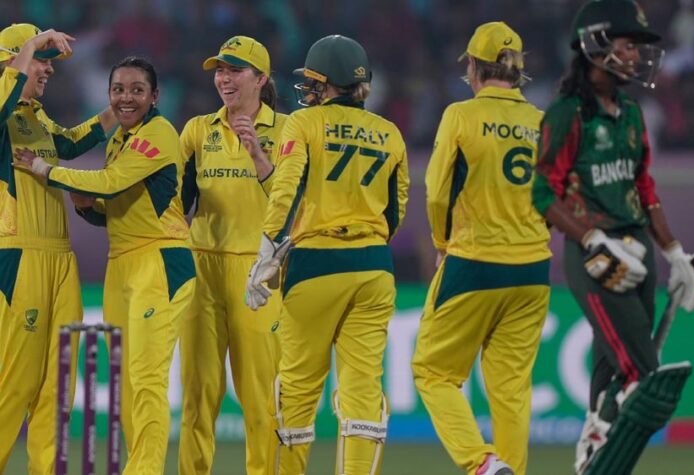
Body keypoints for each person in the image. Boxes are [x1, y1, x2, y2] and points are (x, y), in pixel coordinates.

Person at [531, 1, 694, 474]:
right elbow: (543, 193)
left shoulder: (631, 112)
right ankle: (603, 423)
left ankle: (597, 428)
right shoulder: (567, 114)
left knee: (613, 364)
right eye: (628, 45)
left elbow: (644, 189)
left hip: (639, 248)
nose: (636, 56)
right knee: (644, 374)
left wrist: (674, 253)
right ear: (596, 45)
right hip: (596, 255)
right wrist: (591, 238)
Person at [15, 56, 196, 474]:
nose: (126, 98)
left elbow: (111, 183)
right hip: (123, 263)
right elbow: (114, 211)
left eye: (137, 90)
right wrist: (85, 208)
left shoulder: (159, 133)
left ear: (155, 96)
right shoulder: (119, 141)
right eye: (118, 89)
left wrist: (45, 169)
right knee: (128, 383)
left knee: (146, 379)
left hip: (161, 261)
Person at [245, 34, 409, 475]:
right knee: (363, 392)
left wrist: (267, 252)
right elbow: (395, 213)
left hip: (316, 263)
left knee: (297, 391)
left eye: (314, 81)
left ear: (327, 83)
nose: (308, 89)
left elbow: (286, 190)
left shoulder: (304, 123)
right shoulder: (390, 133)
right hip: (374, 267)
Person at [411, 22, 551, 475]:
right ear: (518, 70)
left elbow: (436, 192)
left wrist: (441, 243)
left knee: (433, 372)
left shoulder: (461, 115)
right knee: (511, 389)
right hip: (533, 270)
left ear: (473, 66)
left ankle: (481, 463)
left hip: (474, 261)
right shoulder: (542, 122)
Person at [0, 23, 115, 473]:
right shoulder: (4, 113)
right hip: (19, 256)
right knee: (14, 382)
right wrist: (30, 44)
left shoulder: (35, 117)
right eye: (41, 62)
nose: (48, 70)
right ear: (13, 61)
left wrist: (119, 111)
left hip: (60, 259)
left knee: (58, 385)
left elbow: (69, 142)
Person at [177, 36, 286, 475]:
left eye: (235, 70)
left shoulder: (288, 131)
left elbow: (297, 207)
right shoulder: (197, 130)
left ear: (261, 78)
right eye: (219, 70)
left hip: (260, 271)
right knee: (197, 395)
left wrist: (259, 156)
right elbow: (175, 201)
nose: (224, 78)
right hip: (202, 266)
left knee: (261, 397)